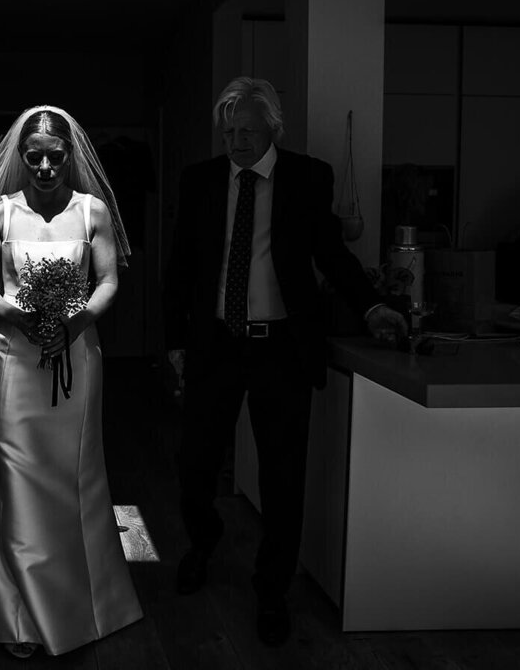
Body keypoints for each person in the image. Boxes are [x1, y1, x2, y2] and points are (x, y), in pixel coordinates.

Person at [163, 77, 407, 646]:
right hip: (216, 343)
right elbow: (180, 269)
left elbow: (331, 253)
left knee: (282, 476)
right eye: (229, 131)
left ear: (274, 127)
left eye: (248, 129)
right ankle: (203, 542)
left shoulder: (307, 177)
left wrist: (372, 306)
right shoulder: (201, 180)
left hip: (280, 348)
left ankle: (271, 590)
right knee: (195, 462)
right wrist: (176, 341)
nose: (237, 141)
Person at [0, 106, 143, 659]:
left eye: (55, 156)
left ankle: (91, 597)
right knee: (20, 476)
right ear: (20, 158)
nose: (45, 166)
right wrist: (18, 315)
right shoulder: (1, 211)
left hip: (79, 356)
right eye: (34, 157)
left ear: (71, 156)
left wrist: (74, 323)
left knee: (78, 475)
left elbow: (109, 280)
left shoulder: (92, 211)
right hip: (15, 360)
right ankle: (19, 612)